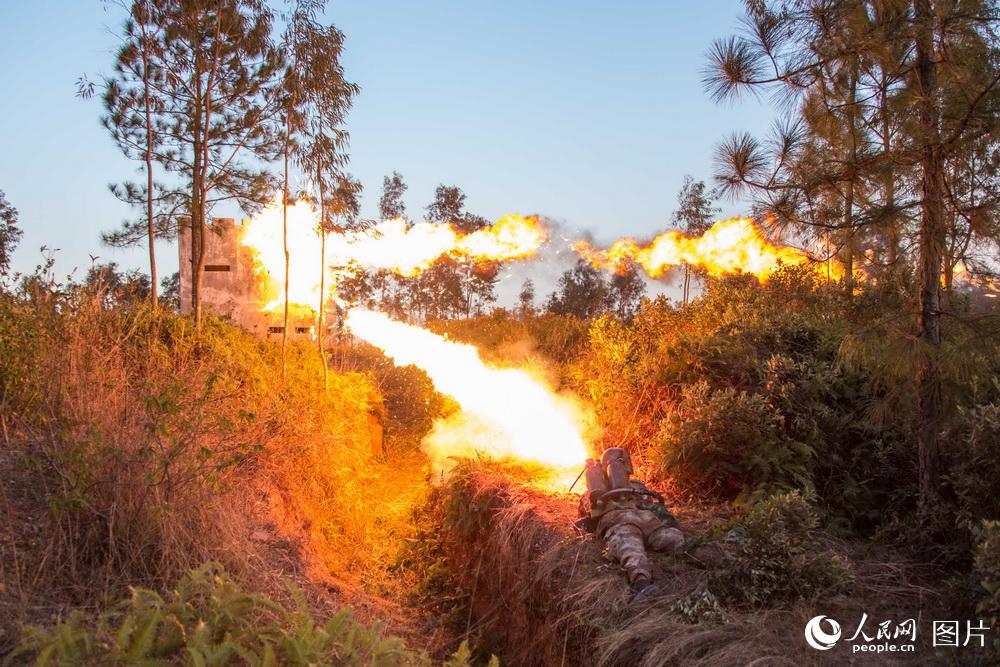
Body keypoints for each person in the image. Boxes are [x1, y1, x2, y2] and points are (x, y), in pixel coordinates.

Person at [577, 447, 684, 602]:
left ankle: (642, 584)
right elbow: (655, 507)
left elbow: (589, 517)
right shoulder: (637, 487)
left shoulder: (590, 495)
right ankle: (715, 558)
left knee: (630, 550)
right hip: (646, 519)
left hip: (620, 522)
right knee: (675, 540)